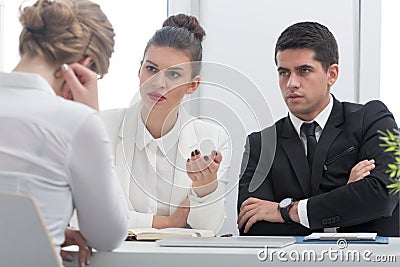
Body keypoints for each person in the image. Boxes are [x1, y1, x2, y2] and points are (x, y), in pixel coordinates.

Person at [237, 21, 399, 236]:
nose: (291, 83)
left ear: (332, 74)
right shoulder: (260, 145)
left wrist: (285, 210)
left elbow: (383, 195)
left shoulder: (374, 119)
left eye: (304, 71)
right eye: (284, 73)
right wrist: (346, 197)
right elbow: (254, 226)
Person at [0, 0, 129, 265]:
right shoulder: (77, 122)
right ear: (85, 65)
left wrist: (38, 232)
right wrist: (91, 115)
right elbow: (107, 235)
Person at [100, 14, 231, 232]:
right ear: (139, 70)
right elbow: (84, 216)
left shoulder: (212, 138)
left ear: (193, 85)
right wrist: (166, 223)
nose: (158, 83)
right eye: (151, 69)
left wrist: (204, 187)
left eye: (173, 74)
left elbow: (208, 230)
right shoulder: (102, 127)